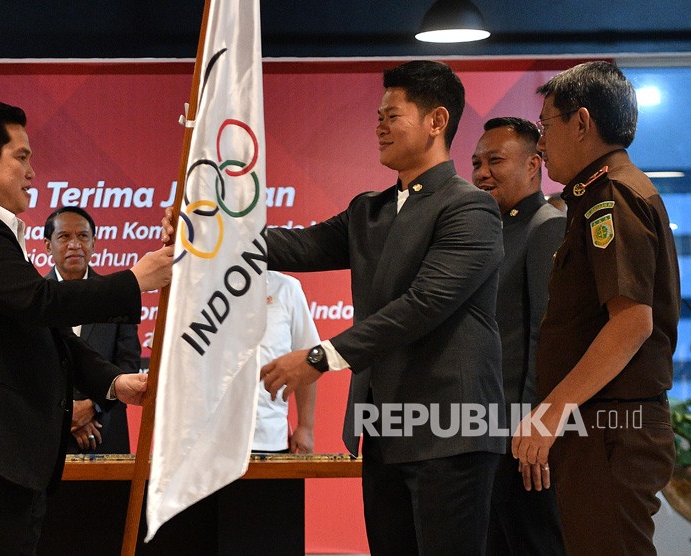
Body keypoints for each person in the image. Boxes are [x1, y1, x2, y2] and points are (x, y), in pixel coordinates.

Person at [259, 60, 506, 554]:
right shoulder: (368, 209)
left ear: (436, 121)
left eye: (392, 115)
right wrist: (204, 234)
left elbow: (422, 305)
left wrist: (317, 358)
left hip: (451, 430)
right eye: (378, 115)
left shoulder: (469, 207)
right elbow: (293, 247)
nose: (379, 125)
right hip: (384, 429)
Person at [0, 101, 173, 554]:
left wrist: (112, 381)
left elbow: (45, 332)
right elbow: (41, 302)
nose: (32, 171)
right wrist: (135, 281)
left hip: (1, 456)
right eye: (22, 157)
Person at [511, 61, 680, 555]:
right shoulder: (595, 197)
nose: (540, 143)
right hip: (599, 427)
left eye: (546, 126)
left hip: (612, 428)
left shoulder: (614, 197)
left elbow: (632, 322)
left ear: (581, 123)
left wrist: (550, 413)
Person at [471, 116, 565, 555]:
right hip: (483, 431)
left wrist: (532, 426)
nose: (481, 172)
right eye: (476, 163)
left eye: (495, 161)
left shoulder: (544, 225)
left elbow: (543, 336)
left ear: (533, 165)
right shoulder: (488, 228)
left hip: (520, 435)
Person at [44, 206, 139, 454]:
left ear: (94, 244)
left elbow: (128, 363)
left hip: (106, 431)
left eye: (83, 236)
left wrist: (92, 406)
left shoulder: (116, 296)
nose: (74, 244)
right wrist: (68, 415)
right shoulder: (31, 299)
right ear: (47, 245)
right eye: (64, 237)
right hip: (47, 437)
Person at [253, 270, 319, 454]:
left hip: (271, 438)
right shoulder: (204, 286)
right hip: (210, 446)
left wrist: (305, 427)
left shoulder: (287, 288)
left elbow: (307, 360)